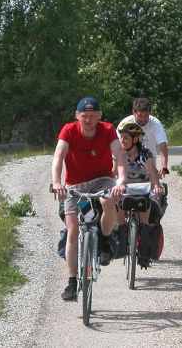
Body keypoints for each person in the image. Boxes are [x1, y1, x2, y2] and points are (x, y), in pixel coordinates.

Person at [51, 96, 127, 301]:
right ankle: (72, 281)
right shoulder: (68, 130)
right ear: (77, 116)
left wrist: (121, 180)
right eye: (84, 116)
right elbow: (58, 157)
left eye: (93, 116)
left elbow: (119, 156)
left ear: (100, 116)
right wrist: (57, 182)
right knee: (73, 230)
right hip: (75, 185)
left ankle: (104, 240)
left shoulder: (108, 130)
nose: (88, 120)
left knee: (109, 201)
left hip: (103, 179)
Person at [114, 120, 165, 268]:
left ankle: (144, 254)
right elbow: (112, 172)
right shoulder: (119, 154)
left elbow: (152, 172)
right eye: (121, 137)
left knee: (145, 219)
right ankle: (122, 241)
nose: (122, 140)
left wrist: (156, 186)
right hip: (124, 188)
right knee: (118, 205)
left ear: (135, 140)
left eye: (126, 138)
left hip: (143, 188)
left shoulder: (145, 154)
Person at [118, 97, 169, 178]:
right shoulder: (124, 124)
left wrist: (164, 166)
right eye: (140, 115)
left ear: (150, 113)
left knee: (153, 185)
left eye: (146, 116)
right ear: (133, 112)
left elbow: (163, 146)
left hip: (149, 159)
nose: (143, 119)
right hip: (128, 159)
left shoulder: (156, 124)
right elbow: (117, 146)